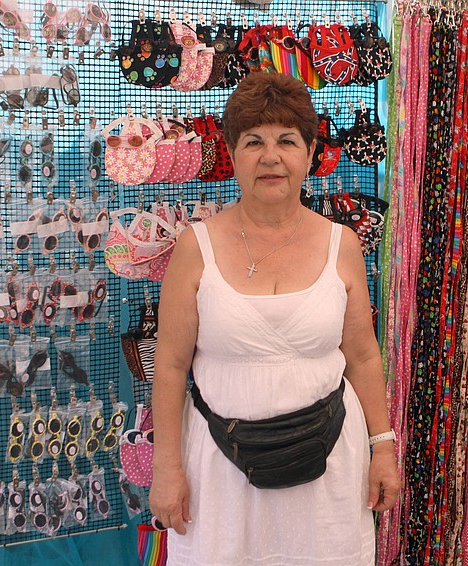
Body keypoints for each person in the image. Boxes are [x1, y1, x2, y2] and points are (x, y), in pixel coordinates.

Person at [148, 71, 400, 565]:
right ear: (232, 153)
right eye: (253, 141)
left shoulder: (341, 245)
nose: (270, 157)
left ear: (309, 153)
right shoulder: (195, 248)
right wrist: (167, 467)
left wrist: (384, 448)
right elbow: (171, 365)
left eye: (287, 140)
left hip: (329, 470)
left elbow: (364, 357)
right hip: (220, 474)